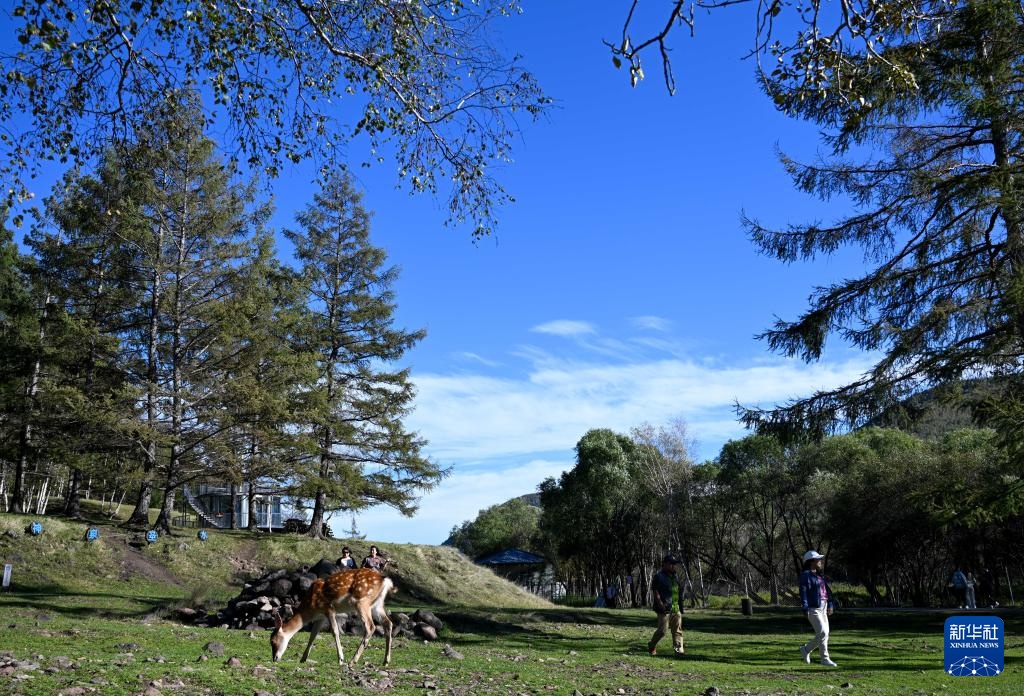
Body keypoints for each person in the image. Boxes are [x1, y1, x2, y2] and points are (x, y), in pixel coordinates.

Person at [798, 550, 838, 668]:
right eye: (818, 559)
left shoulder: (820, 575)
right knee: (823, 633)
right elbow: (803, 593)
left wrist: (830, 604)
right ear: (811, 562)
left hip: (824, 606)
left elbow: (827, 591)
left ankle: (806, 650)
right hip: (813, 608)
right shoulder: (805, 576)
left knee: (825, 634)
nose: (820, 561)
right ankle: (824, 658)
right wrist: (804, 607)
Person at [648, 554, 685, 657]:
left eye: (675, 564)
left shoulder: (675, 576)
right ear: (666, 564)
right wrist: (660, 604)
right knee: (662, 631)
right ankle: (652, 645)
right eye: (672, 564)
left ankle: (679, 651)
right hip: (664, 608)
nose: (674, 566)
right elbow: (655, 592)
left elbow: (677, 591)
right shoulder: (658, 576)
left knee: (677, 630)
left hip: (675, 607)